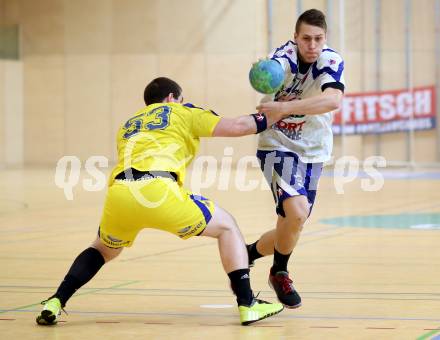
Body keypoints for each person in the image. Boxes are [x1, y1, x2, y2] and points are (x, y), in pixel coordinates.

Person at [35, 77, 288, 326]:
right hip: (158, 190)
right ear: (171, 98)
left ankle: (56, 301)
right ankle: (247, 304)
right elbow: (238, 127)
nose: (182, 102)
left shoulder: (130, 123)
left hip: (120, 192)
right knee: (227, 227)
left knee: (102, 249)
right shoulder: (180, 111)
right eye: (181, 99)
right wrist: (278, 112)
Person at [246, 9, 345, 309]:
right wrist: (263, 74)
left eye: (318, 39)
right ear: (295, 38)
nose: (312, 45)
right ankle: (279, 272)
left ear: (325, 38)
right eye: (306, 39)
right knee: (297, 211)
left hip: (314, 148)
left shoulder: (332, 60)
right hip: (277, 143)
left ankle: (246, 254)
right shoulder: (284, 57)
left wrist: (286, 107)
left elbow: (333, 100)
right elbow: (270, 72)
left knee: (292, 223)